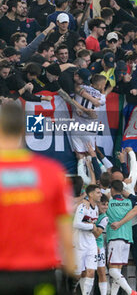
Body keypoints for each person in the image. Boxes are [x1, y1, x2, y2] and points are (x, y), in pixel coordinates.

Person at [0, 103, 75, 294]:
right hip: (41, 273)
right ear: (24, 130)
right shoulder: (53, 172)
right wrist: (71, 265)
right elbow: (64, 226)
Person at [106, 180, 137, 295]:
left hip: (115, 238)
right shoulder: (129, 202)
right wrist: (126, 193)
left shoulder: (108, 204)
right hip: (127, 239)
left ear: (112, 190)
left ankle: (130, 292)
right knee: (118, 270)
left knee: (112, 270)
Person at [73, 184, 101, 295]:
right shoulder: (83, 207)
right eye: (98, 192)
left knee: (91, 271)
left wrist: (92, 228)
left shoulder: (96, 208)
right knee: (77, 274)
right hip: (80, 243)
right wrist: (91, 227)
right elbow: (76, 224)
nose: (100, 194)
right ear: (91, 194)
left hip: (91, 243)